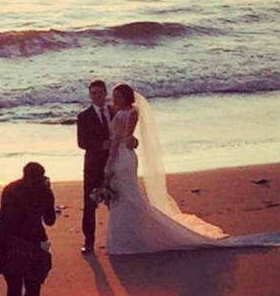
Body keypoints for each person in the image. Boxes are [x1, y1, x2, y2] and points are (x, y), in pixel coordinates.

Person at [103, 83, 280, 254]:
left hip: (120, 158)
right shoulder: (131, 111)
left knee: (128, 197)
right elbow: (128, 136)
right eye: (114, 96)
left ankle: (128, 238)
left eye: (118, 96)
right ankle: (132, 236)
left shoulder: (121, 114)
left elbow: (120, 139)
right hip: (128, 157)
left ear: (125, 97)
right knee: (129, 196)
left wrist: (109, 164)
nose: (114, 99)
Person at [0, 162, 56, 296]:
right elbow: (50, 220)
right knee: (32, 292)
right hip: (33, 244)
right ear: (41, 176)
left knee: (13, 290)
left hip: (5, 242)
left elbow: (3, 217)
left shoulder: (10, 189)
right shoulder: (44, 191)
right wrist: (49, 194)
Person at [77, 80, 137, 254]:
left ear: (105, 94)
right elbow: (81, 143)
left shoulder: (115, 111)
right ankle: (89, 242)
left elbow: (126, 135)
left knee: (118, 202)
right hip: (93, 166)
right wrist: (101, 145)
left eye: (100, 93)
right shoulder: (84, 116)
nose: (97, 96)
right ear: (90, 95)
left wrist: (133, 142)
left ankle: (122, 237)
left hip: (117, 163)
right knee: (90, 204)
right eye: (93, 93)